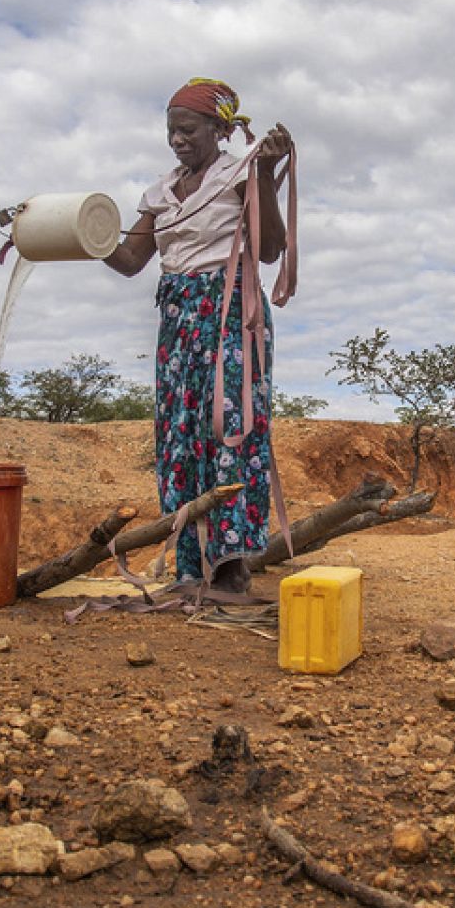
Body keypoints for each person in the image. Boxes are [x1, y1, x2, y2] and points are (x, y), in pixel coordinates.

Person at [104, 78, 296, 583]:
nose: (177, 140)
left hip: (230, 309)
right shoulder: (160, 193)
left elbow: (270, 249)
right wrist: (86, 230)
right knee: (179, 435)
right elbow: (128, 260)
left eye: (187, 129)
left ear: (218, 128)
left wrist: (266, 173)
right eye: (171, 132)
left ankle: (232, 566)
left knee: (229, 427)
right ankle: (190, 565)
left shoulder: (239, 174)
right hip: (178, 318)